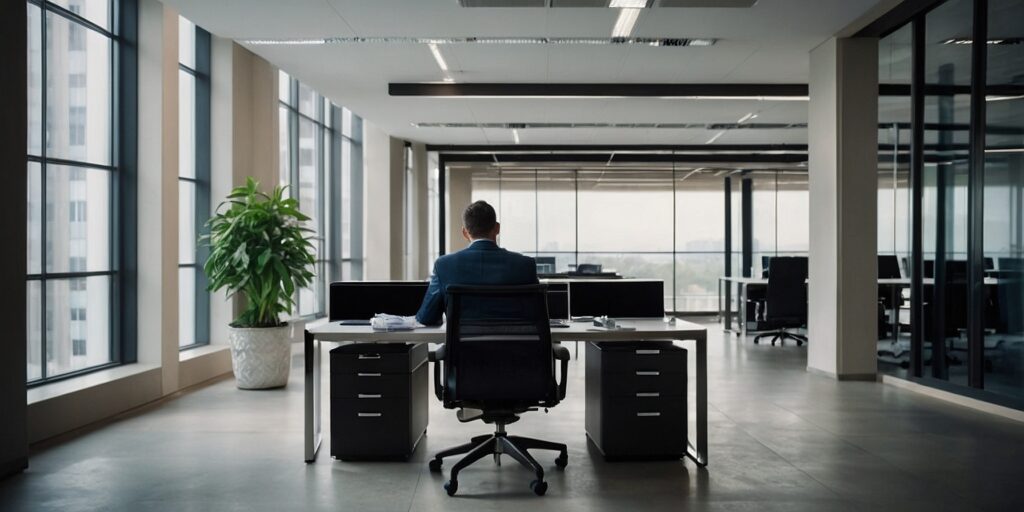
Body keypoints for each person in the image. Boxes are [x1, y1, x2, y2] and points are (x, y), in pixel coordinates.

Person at [415, 200, 538, 326]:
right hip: (517, 345)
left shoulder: (444, 265)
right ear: (497, 228)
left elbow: (426, 318)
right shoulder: (526, 265)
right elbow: (537, 314)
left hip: (462, 346)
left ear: (464, 232)